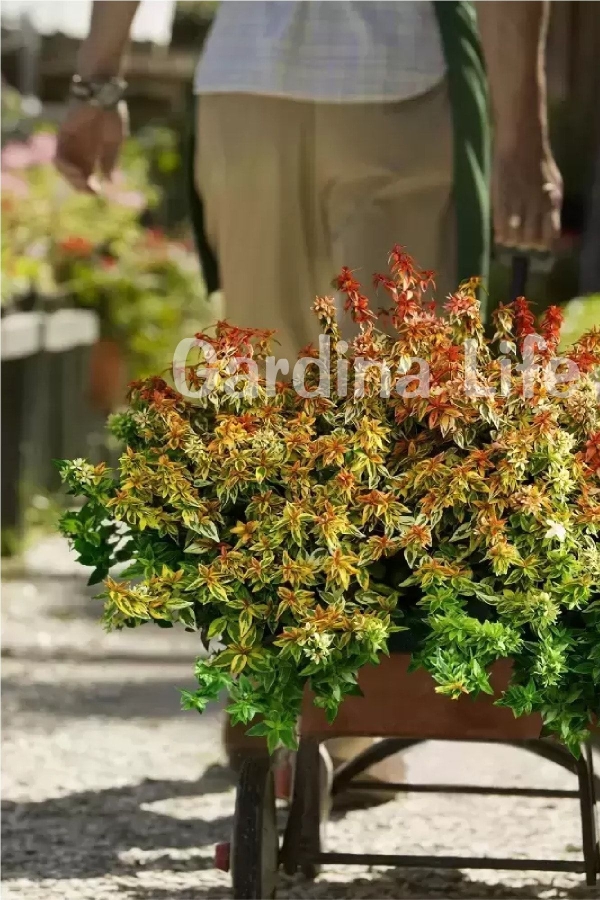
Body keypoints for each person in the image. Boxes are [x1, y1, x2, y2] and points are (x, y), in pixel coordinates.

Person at [55, 0, 562, 796]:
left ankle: (280, 700)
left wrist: (97, 82)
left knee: (273, 400)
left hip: (248, 93)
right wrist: (523, 141)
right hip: (400, 87)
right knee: (396, 407)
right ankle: (342, 708)